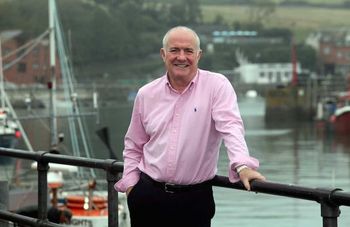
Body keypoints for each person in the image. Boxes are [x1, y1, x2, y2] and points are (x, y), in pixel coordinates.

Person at [115, 26, 266, 227]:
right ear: (163, 54)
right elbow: (134, 144)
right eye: (174, 50)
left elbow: (231, 127)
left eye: (188, 51)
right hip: (147, 196)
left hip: (194, 201)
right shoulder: (146, 94)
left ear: (199, 55)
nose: (181, 57)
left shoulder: (216, 86)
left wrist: (242, 165)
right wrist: (131, 185)